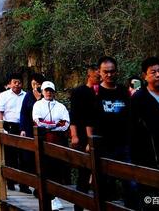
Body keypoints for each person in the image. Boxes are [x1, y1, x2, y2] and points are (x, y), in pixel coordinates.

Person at [94, 56, 134, 206]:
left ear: (116, 72)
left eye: (112, 71)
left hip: (124, 144)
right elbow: (89, 119)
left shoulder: (124, 92)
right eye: (106, 72)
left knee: (130, 183)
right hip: (103, 145)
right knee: (106, 185)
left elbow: (131, 116)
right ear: (99, 72)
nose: (109, 75)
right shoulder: (96, 93)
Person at [32, 81, 70, 211]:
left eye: (50, 90)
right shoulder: (37, 105)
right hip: (43, 139)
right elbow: (38, 121)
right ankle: (48, 196)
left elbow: (66, 124)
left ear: (54, 92)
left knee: (58, 167)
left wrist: (51, 125)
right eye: (46, 90)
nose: (48, 92)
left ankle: (55, 195)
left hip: (58, 140)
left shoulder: (61, 107)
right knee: (45, 166)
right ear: (42, 92)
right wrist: (55, 124)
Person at [70, 65, 99, 211]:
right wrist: (74, 135)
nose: (98, 79)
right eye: (96, 76)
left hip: (99, 135)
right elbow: (73, 115)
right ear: (90, 75)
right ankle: (79, 205)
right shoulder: (79, 92)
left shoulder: (102, 92)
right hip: (82, 135)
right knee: (84, 170)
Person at [0, 72, 27, 191]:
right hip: (9, 126)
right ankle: (10, 183)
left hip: (22, 127)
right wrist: (1, 128)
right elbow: (0, 112)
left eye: (19, 82)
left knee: (24, 156)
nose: (17, 85)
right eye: (15, 82)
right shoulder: (4, 96)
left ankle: (24, 185)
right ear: (10, 83)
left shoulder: (26, 95)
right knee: (10, 156)